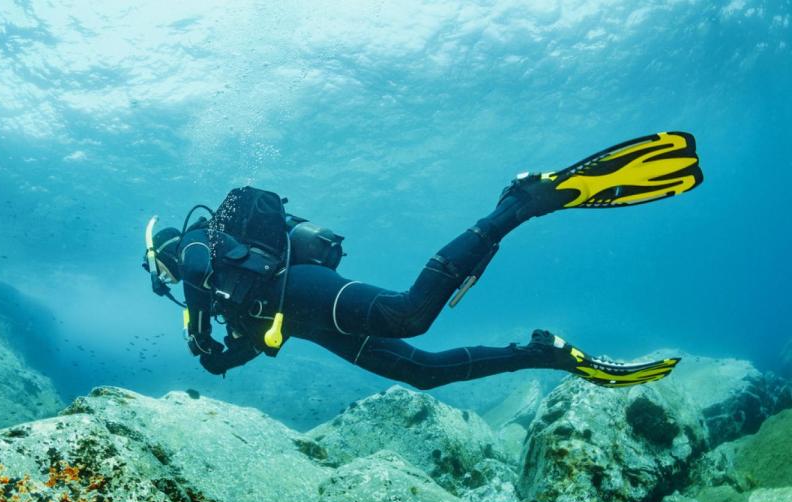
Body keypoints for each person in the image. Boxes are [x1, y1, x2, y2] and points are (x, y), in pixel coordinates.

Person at [142, 132, 703, 390]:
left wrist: (195, 330)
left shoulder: (194, 242)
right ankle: (541, 354)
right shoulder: (224, 289)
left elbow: (190, 269)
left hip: (304, 287)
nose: (159, 278)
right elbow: (260, 336)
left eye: (154, 269)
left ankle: (518, 204)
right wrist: (221, 359)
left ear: (157, 253)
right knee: (421, 373)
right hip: (306, 317)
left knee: (408, 314)